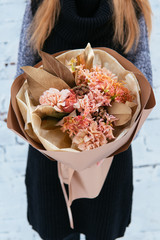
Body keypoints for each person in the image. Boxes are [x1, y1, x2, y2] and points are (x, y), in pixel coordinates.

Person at [15, 0, 152, 239]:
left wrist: (103, 143)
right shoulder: (41, 5)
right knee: (57, 229)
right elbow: (23, 77)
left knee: (102, 229)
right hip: (49, 156)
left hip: (109, 156)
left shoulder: (131, 6)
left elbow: (142, 85)